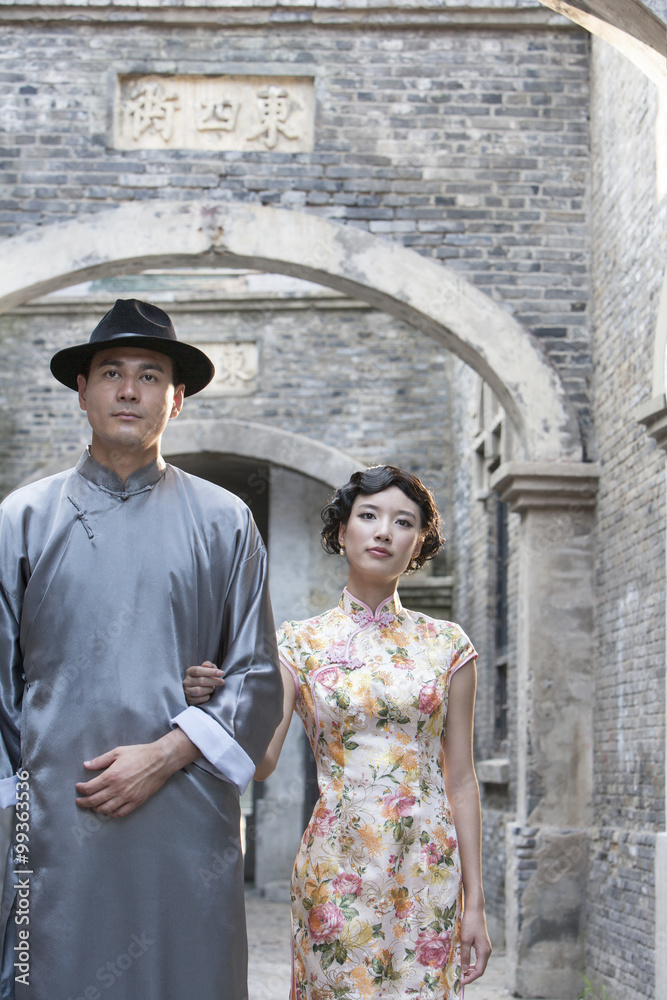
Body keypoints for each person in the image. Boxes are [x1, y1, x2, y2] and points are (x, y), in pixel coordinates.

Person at [0, 299, 283, 999]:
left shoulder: (225, 523)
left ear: (177, 399)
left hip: (185, 815)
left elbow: (256, 676)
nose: (130, 390)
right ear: (83, 391)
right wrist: (21, 812)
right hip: (52, 821)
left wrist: (163, 755)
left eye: (151, 376)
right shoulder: (21, 520)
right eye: (112, 373)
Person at [185, 466, 492, 999]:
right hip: (337, 866)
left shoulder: (449, 646)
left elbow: (461, 779)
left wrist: (477, 903)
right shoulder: (298, 644)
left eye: (403, 522)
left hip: (428, 869)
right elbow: (262, 760)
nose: (383, 532)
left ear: (418, 542)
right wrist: (220, 699)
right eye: (368, 516)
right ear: (342, 530)